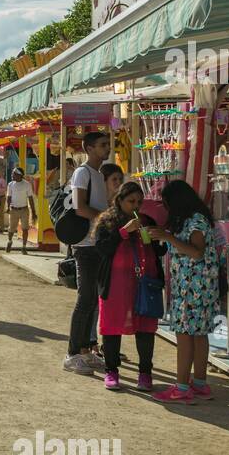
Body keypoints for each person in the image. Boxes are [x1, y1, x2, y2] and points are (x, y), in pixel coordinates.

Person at [148, 179, 222, 403]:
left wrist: (168, 237)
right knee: (199, 335)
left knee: (185, 335)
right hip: (198, 286)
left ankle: (181, 387)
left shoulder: (196, 222)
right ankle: (199, 383)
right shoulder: (196, 219)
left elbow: (197, 252)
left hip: (192, 288)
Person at [93, 181, 166, 391]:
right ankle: (111, 371)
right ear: (120, 201)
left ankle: (145, 373)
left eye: (139, 202)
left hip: (144, 283)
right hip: (115, 283)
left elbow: (158, 252)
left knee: (145, 327)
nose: (135, 206)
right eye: (131, 201)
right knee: (112, 327)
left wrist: (156, 237)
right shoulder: (107, 221)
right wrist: (123, 232)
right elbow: (103, 248)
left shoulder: (147, 220)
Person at [64, 131, 112, 375]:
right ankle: (72, 353)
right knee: (85, 301)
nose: (108, 148)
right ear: (90, 148)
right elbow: (80, 208)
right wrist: (107, 218)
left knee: (92, 301)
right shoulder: (82, 173)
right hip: (85, 245)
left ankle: (84, 350)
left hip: (96, 243)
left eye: (108, 144)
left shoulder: (97, 174)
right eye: (103, 145)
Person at [4, 167, 36, 254]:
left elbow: (30, 199)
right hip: (13, 209)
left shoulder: (27, 184)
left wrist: (33, 212)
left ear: (19, 175)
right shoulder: (10, 184)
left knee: (25, 229)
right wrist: (7, 207)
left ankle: (24, 247)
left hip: (24, 210)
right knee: (11, 229)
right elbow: (9, 197)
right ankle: (9, 241)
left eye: (13, 174)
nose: (12, 175)